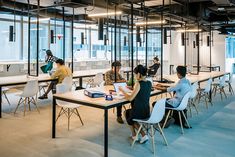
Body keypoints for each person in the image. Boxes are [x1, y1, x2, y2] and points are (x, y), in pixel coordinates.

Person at [119, 65, 151, 144]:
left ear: (139, 74)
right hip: (146, 111)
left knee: (127, 113)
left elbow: (130, 98)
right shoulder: (149, 83)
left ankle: (138, 135)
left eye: (135, 74)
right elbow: (141, 93)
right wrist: (132, 89)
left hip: (139, 111)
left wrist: (122, 90)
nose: (135, 76)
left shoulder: (138, 83)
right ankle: (136, 135)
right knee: (130, 114)